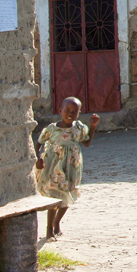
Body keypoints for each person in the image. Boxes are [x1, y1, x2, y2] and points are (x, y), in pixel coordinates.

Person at [35, 96, 100, 239]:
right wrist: (38, 158)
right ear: (60, 110)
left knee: (67, 194)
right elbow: (39, 142)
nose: (70, 113)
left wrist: (93, 126)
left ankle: (57, 222)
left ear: (79, 113)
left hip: (72, 166)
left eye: (74, 111)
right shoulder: (52, 129)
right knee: (55, 195)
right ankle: (49, 229)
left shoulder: (79, 128)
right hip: (54, 166)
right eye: (67, 110)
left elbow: (87, 143)